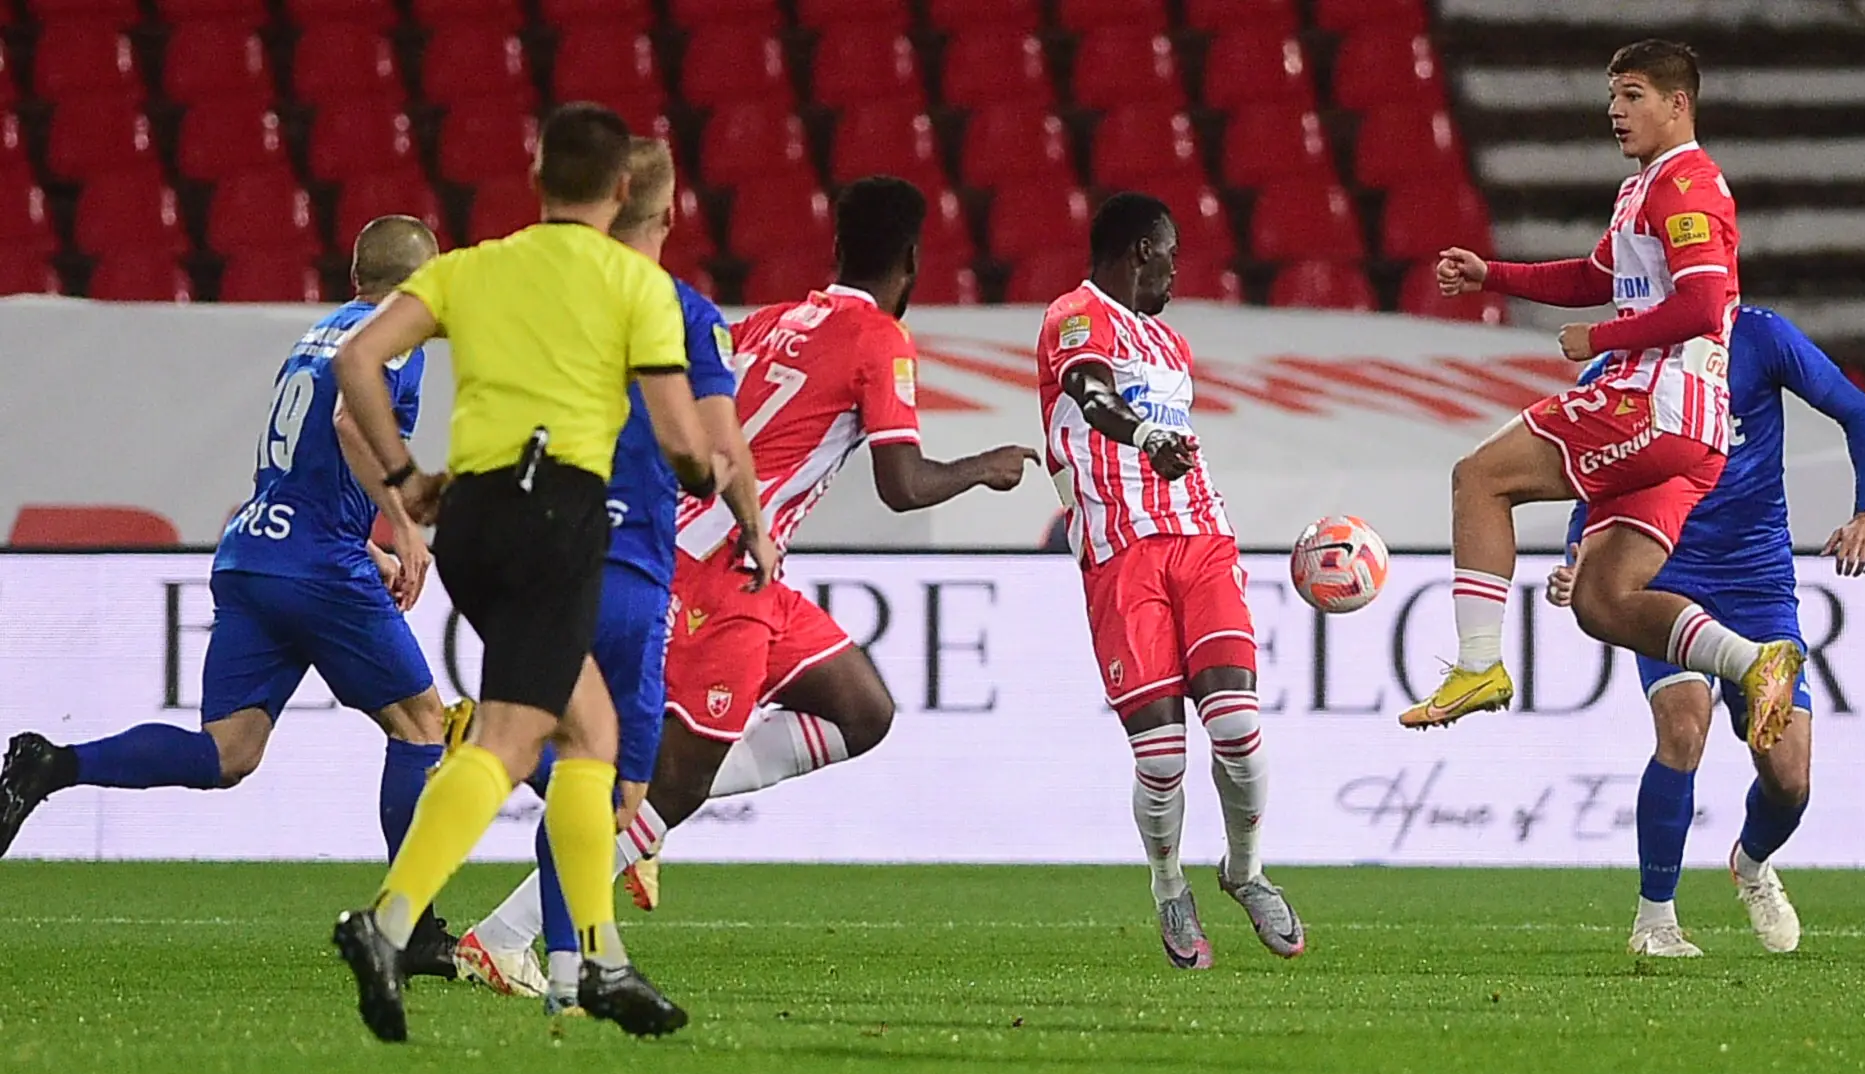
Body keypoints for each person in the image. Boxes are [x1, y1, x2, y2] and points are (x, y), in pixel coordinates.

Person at [451, 176, 1036, 992]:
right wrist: (984, 467)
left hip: (735, 562)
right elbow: (900, 484)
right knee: (674, 786)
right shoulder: (878, 339)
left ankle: (623, 807)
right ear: (912, 260)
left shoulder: (765, 323)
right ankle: (501, 934)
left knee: (861, 709)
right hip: (717, 574)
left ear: (837, 250)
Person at [325, 102, 715, 1043]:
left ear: (538, 178)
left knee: (589, 732)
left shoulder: (474, 266)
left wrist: (404, 479)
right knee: (508, 739)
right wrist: (706, 470)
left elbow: (357, 358)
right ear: (623, 190)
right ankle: (387, 923)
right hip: (557, 519)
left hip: (471, 520)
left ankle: (601, 962)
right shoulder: (635, 284)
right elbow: (679, 440)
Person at [0, 216, 460, 979]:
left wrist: (366, 543)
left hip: (252, 550)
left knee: (229, 751)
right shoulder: (391, 334)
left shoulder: (320, 333)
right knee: (421, 728)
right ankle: (409, 926)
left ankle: (51, 765)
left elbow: (310, 454)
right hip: (317, 565)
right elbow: (351, 423)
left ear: (354, 280)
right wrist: (406, 526)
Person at [1406, 40, 1806, 753]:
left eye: (1632, 95)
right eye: (1612, 97)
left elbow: (1704, 304)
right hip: (1689, 435)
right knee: (1602, 601)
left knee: (1479, 478)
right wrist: (1490, 275)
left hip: (1658, 401)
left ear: (1677, 105)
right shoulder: (1642, 189)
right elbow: (1596, 275)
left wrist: (1602, 340)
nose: (1615, 112)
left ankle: (1477, 666)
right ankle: (1753, 661)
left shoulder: (1689, 186)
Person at [449, 137, 773, 1014]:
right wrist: (751, 523)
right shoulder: (681, 310)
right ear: (666, 213)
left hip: (521, 545)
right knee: (612, 778)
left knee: (564, 751)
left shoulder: (539, 295)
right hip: (624, 561)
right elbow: (715, 444)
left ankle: (566, 962)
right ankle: (580, 967)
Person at [1545, 307, 1865, 957]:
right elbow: (1591, 476)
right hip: (1659, 574)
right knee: (1683, 721)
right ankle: (1655, 921)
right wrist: (1577, 560)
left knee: (1788, 777)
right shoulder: (1618, 364)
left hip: (1757, 586)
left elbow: (1859, 412)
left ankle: (1751, 863)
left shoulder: (1759, 337)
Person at [1038, 192, 1301, 970]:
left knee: (1239, 734)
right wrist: (1146, 433)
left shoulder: (1172, 345)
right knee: (1159, 759)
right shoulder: (1074, 316)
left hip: (1201, 538)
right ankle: (1167, 888)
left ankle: (1244, 872)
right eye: (1173, 256)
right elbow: (1090, 392)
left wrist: (1167, 444)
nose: (1177, 273)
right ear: (1142, 251)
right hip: (1121, 552)